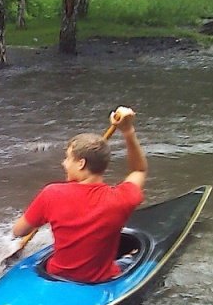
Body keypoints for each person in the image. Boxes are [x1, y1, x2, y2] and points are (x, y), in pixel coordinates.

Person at [12, 106, 148, 283]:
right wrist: (128, 131)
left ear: (81, 163)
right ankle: (129, 257)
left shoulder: (51, 194)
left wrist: (44, 214)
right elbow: (139, 169)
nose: (64, 163)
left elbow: (19, 231)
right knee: (129, 258)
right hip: (100, 279)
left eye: (68, 158)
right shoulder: (122, 198)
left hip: (57, 275)